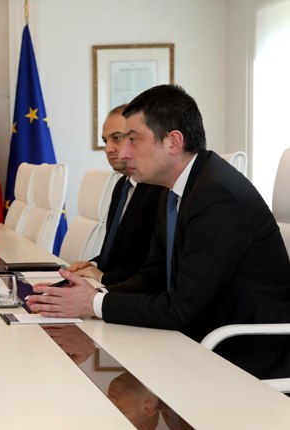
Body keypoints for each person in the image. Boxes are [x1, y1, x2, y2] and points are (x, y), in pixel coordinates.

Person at [27, 85, 290, 380]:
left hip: (240, 354)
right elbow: (152, 277)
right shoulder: (175, 189)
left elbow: (182, 308)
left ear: (173, 141)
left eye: (133, 140)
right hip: (197, 338)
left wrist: (93, 303)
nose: (123, 153)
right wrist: (90, 293)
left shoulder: (217, 196)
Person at [67, 104, 166, 284]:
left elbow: (151, 269)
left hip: (131, 293)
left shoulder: (159, 189)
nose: (107, 149)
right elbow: (117, 253)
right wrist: (93, 264)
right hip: (111, 286)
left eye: (117, 138)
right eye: (105, 141)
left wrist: (103, 277)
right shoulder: (122, 185)